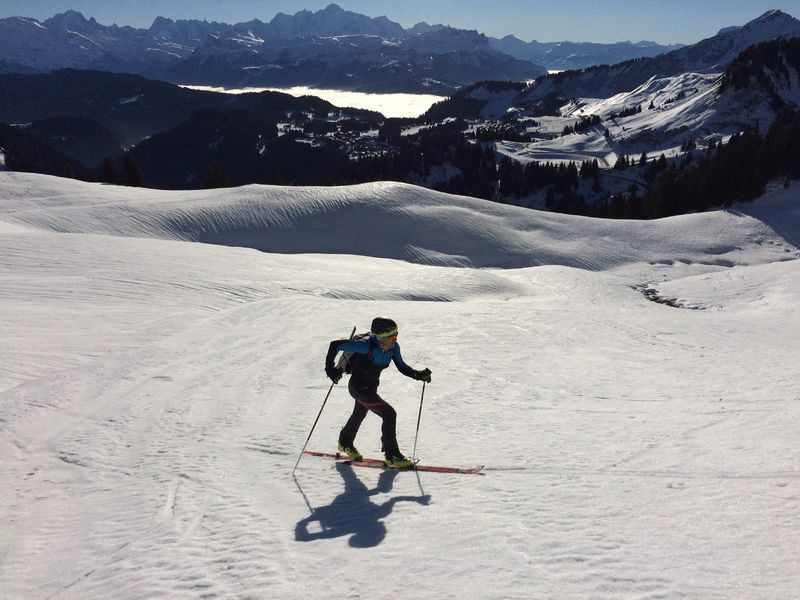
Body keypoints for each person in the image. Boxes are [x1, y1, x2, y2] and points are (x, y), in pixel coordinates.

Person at [325, 317, 432, 468]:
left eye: (397, 335)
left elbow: (402, 367)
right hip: (358, 387)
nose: (395, 339)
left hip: (371, 387)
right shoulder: (366, 345)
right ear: (381, 337)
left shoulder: (394, 348)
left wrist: (418, 374)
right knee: (389, 414)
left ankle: (345, 442)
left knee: (359, 414)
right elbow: (335, 345)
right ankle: (392, 455)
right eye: (392, 336)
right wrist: (330, 368)